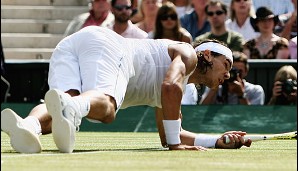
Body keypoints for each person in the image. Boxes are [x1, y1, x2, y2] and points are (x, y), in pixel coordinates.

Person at [1, 26, 252, 154]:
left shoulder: (177, 85)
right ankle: (72, 107)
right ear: (207, 54)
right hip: (107, 46)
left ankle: (27, 126)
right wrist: (176, 145)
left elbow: (168, 134)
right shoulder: (188, 54)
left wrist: (216, 141)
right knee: (107, 110)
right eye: (226, 65)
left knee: (64, 106)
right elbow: (169, 88)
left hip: (73, 44)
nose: (228, 75)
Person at [148, 1, 196, 104]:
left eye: (172, 16)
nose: (169, 20)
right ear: (159, 20)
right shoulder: (151, 37)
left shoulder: (185, 37)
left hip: (183, 80)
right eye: (165, 17)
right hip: (155, 80)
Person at [200, 51, 265, 105]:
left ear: (246, 71)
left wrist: (241, 95)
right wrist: (214, 88)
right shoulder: (216, 86)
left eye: (239, 71)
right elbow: (202, 109)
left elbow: (254, 116)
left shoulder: (255, 90)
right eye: (232, 71)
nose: (235, 74)